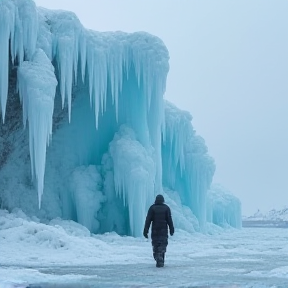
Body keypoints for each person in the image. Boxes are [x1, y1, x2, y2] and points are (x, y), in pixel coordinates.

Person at [143, 194, 174, 267]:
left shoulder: (152, 208)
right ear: (163, 200)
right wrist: (171, 229)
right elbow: (169, 220)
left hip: (155, 230)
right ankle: (160, 257)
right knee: (163, 244)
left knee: (155, 244)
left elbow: (148, 220)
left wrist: (145, 230)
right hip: (163, 230)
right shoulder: (166, 208)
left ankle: (157, 256)